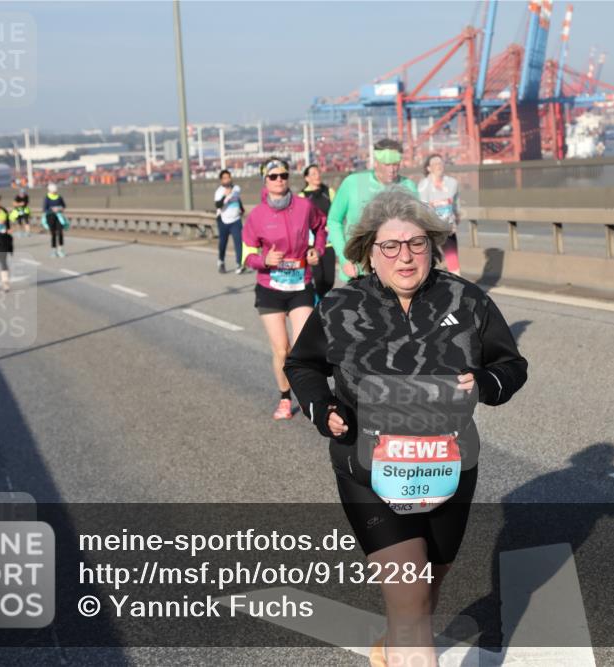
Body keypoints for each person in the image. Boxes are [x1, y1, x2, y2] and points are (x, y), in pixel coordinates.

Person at [285, 188, 527, 667]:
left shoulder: (467, 299)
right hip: (368, 468)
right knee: (410, 598)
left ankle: (394, 647)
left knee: (426, 592)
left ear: (431, 246)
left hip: (450, 468)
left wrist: (485, 382)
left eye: (416, 244)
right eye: (390, 246)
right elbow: (303, 365)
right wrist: (322, 408)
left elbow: (511, 364)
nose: (405, 256)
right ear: (368, 252)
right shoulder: (340, 305)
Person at [242, 158, 327, 420]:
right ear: (265, 181)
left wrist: (317, 250)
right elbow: (247, 253)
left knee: (303, 346)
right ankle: (284, 398)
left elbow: (320, 226)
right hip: (270, 287)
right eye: (273, 176)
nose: (279, 180)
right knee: (282, 349)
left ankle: (306, 395)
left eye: (283, 175)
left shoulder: (304, 206)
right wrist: (262, 260)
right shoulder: (257, 215)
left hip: (300, 284)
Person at [327, 138, 417, 283]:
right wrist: (344, 259)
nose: (392, 169)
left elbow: (417, 227)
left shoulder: (409, 186)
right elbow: (334, 221)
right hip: (358, 270)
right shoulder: (352, 183)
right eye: (387, 164)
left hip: (396, 270)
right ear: (375, 162)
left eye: (396, 164)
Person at [417, 154, 461, 276]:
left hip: (448, 229)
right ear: (428, 168)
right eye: (435, 164)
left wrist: (456, 217)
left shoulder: (452, 183)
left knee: (454, 265)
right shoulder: (423, 186)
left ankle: (456, 291)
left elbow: (456, 203)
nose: (439, 166)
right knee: (431, 264)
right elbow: (422, 209)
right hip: (431, 231)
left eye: (441, 163)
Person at [297, 164, 336, 298]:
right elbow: (299, 219)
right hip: (312, 244)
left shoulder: (329, 192)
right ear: (306, 178)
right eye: (313, 174)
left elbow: (337, 213)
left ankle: (320, 301)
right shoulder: (302, 196)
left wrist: (331, 225)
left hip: (329, 241)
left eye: (318, 172)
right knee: (318, 278)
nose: (317, 175)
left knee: (329, 280)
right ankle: (319, 305)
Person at [214, 169, 247, 274]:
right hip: (223, 220)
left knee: (239, 242)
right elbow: (218, 205)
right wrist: (225, 195)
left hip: (236, 220)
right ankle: (221, 262)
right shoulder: (219, 191)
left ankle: (239, 264)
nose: (227, 179)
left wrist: (241, 209)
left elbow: (237, 199)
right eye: (224, 178)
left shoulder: (236, 188)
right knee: (223, 243)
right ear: (221, 180)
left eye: (228, 177)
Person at [42, 183, 68, 258]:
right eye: (53, 191)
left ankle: (60, 250)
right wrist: (52, 209)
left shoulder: (59, 197)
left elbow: (64, 206)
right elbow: (44, 209)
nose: (54, 192)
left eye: (55, 191)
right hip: (50, 217)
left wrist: (59, 208)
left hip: (59, 216)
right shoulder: (47, 198)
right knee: (53, 234)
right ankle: (53, 250)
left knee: (60, 233)